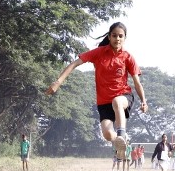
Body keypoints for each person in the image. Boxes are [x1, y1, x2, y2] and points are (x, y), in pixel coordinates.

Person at [46, 22, 148, 160]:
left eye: (120, 36)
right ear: (109, 36)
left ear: (124, 38)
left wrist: (143, 101)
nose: (117, 39)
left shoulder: (127, 57)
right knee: (106, 134)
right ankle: (120, 143)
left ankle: (122, 135)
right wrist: (58, 82)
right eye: (114, 35)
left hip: (123, 95)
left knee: (117, 102)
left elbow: (137, 82)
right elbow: (74, 64)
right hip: (104, 101)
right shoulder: (99, 53)